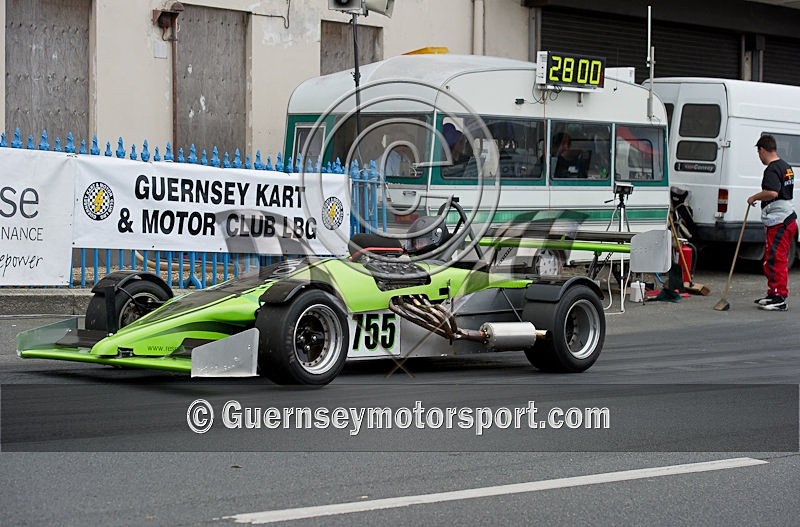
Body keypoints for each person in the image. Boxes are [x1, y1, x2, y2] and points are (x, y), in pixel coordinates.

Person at [747, 134, 797, 311]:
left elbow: (772, 192)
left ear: (762, 150)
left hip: (780, 221)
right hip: (786, 218)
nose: (759, 157)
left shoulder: (772, 169)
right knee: (773, 258)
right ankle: (773, 293)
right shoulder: (786, 166)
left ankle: (779, 298)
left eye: (758, 152)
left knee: (776, 259)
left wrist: (754, 197)